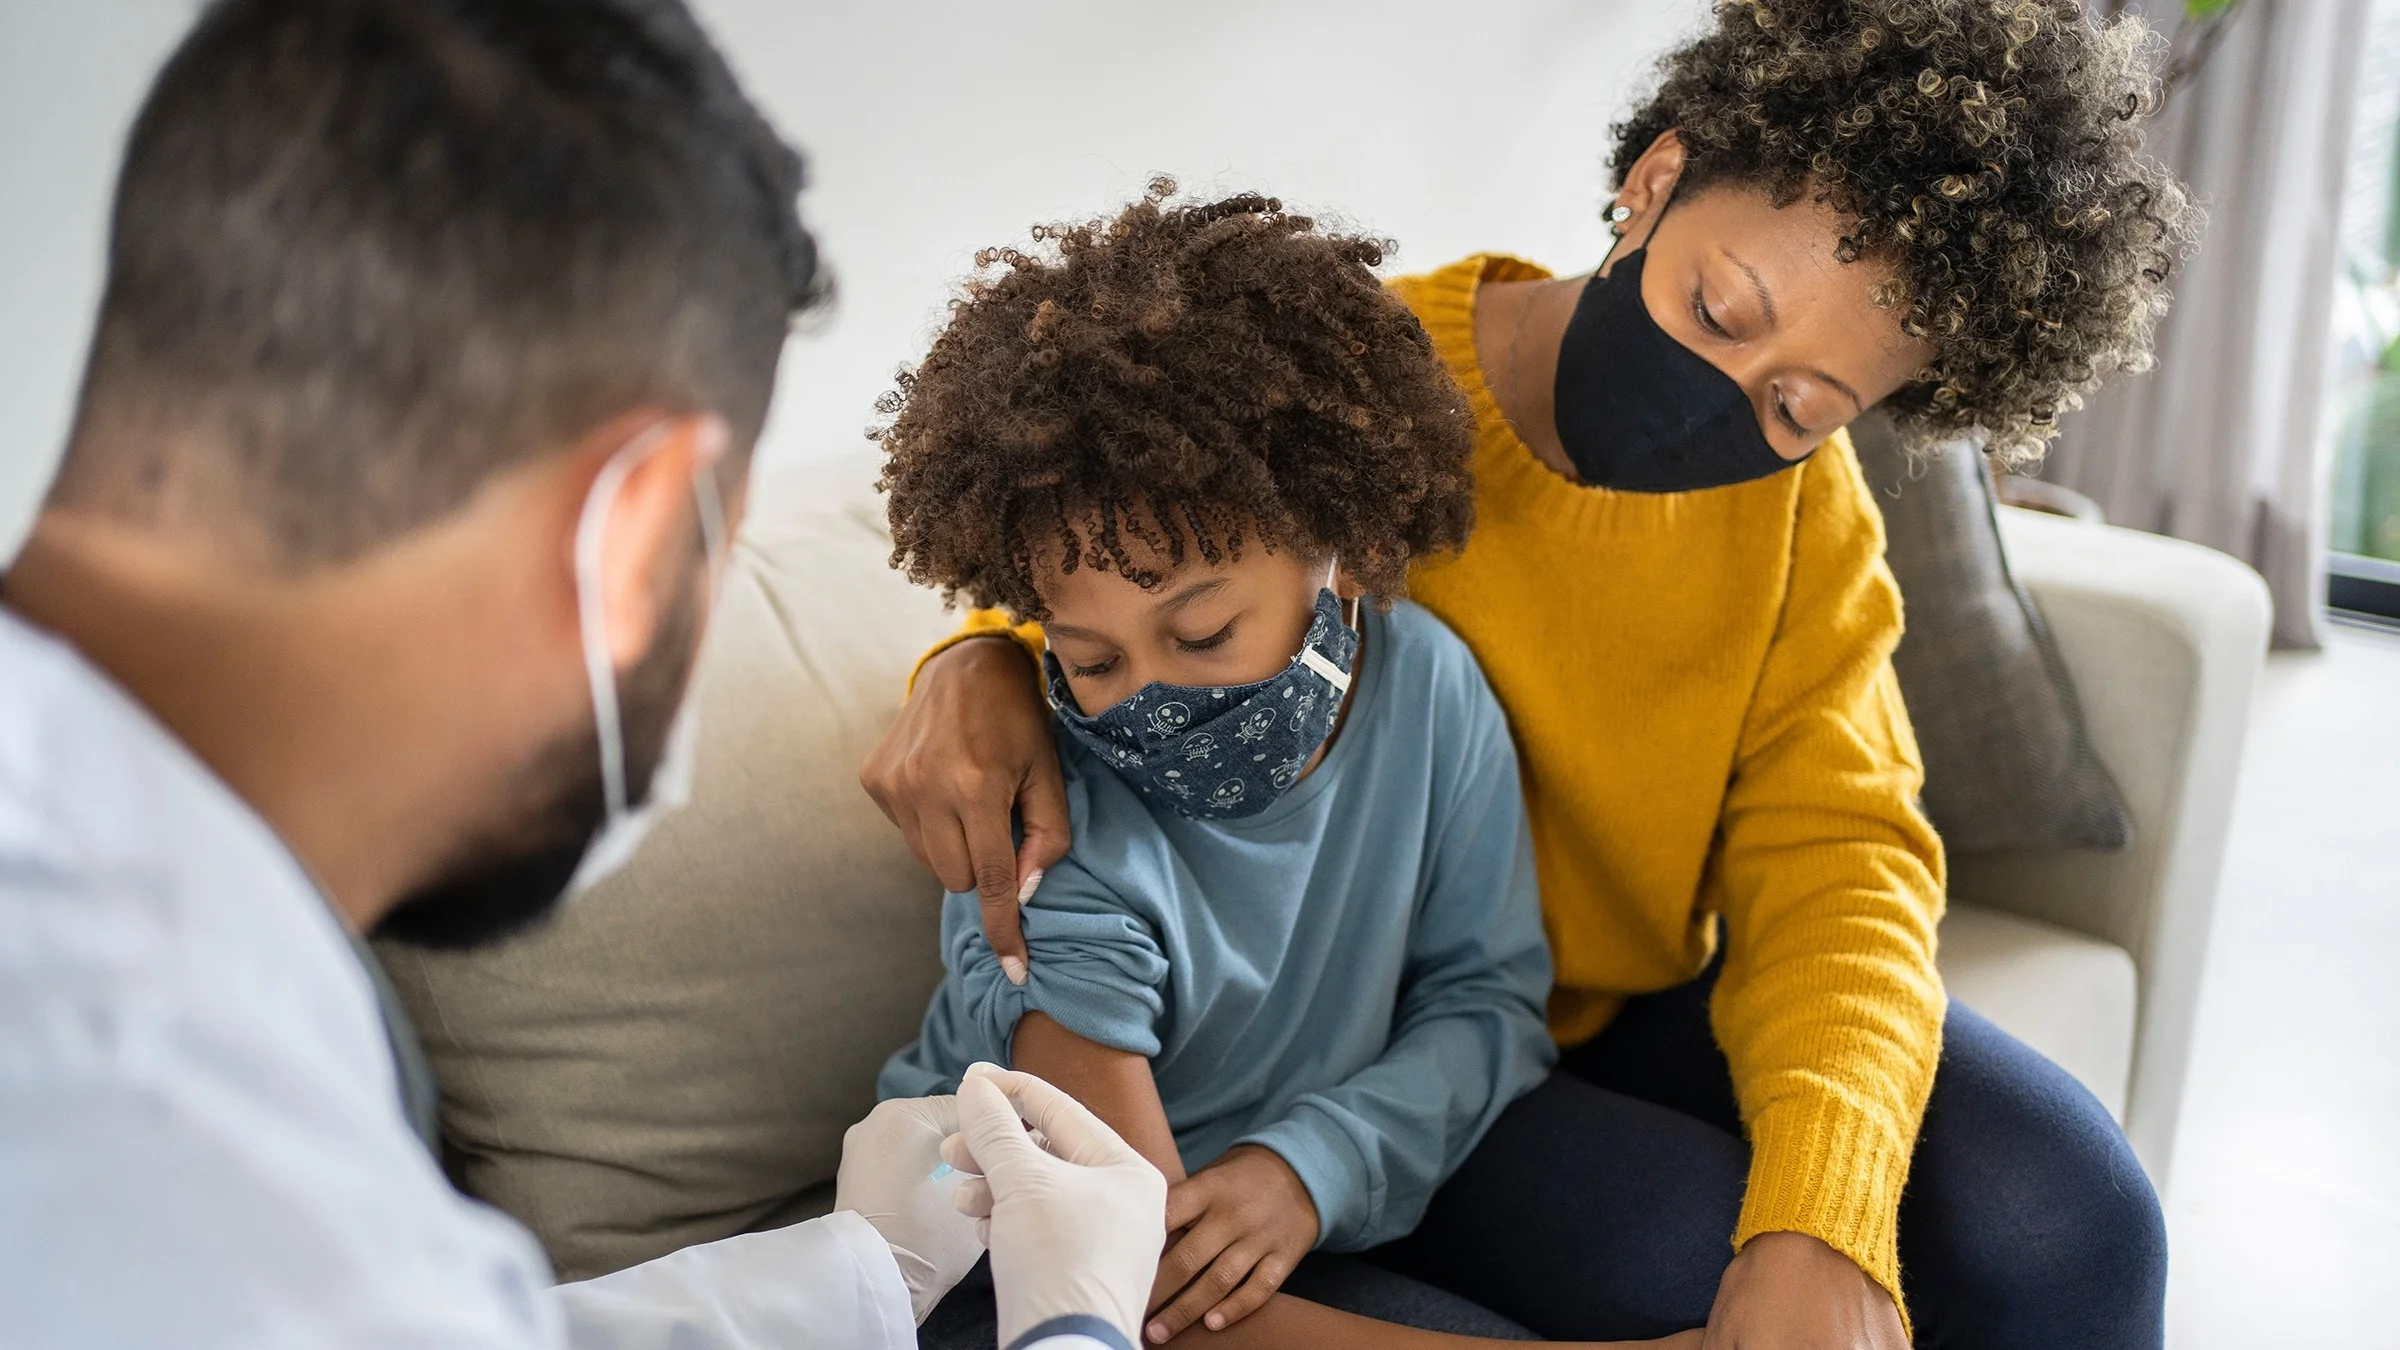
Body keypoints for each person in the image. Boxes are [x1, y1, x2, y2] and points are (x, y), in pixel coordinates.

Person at [860, 3, 2197, 1348]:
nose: (1726, 394)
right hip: (1329, 1033)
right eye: (1721, 307)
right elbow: (1102, 565)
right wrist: (977, 658)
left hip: (1544, 1013)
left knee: (2064, 1219)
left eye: (1803, 406)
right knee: (1685, 1267)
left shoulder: (1796, 520)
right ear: (1654, 182)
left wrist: (1820, 1220)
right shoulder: (1333, 394)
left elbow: (1840, 857)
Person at [0, 2, 1163, 1348]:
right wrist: (1071, 1331)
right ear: (629, 535)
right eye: (711, 557)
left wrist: (859, 1271)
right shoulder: (143, 1084)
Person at [870, 184, 1608, 1350]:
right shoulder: (1043, 850)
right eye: (1093, 657)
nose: (1155, 703)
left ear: (1349, 552)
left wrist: (1313, 1165)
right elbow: (1136, 1281)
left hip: (1298, 1209)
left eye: (1204, 635)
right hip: (1042, 1283)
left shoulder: (1430, 685)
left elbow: (1486, 1000)